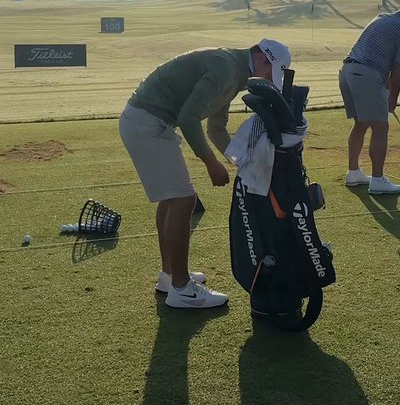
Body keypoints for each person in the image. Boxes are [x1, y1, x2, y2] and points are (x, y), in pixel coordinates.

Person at [119, 38, 291, 309]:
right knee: (183, 199)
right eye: (271, 74)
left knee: (172, 199)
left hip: (148, 122)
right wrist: (212, 163)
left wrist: (241, 162)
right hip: (147, 123)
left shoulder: (235, 73)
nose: (269, 80)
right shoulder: (225, 68)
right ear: (262, 59)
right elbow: (188, 118)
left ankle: (169, 276)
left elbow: (216, 128)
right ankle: (181, 289)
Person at [339, 0, 400, 195]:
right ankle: (378, 180)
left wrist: (386, 88)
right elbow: (398, 69)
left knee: (361, 123)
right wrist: (393, 98)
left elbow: (382, 59)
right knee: (381, 127)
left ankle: (353, 173)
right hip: (366, 74)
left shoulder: (381, 18)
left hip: (347, 71)